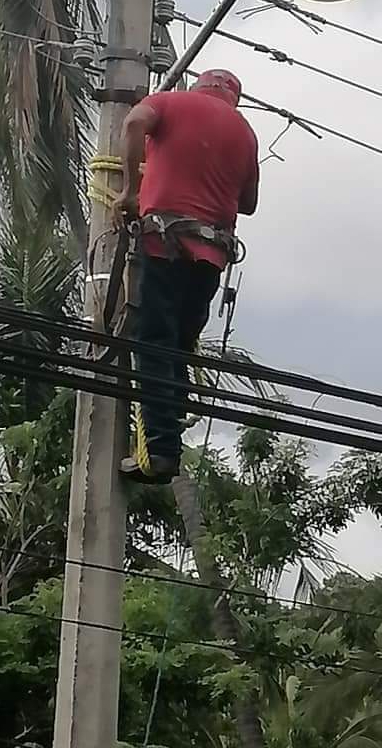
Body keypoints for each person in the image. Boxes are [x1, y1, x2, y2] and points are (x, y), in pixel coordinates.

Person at [112, 69, 259, 484]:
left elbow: (135, 122)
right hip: (210, 258)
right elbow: (248, 202)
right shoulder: (245, 132)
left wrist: (130, 189)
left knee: (155, 342)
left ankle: (159, 449)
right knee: (177, 345)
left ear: (197, 87)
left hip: (165, 243)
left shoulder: (169, 103)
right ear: (234, 99)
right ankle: (166, 439)